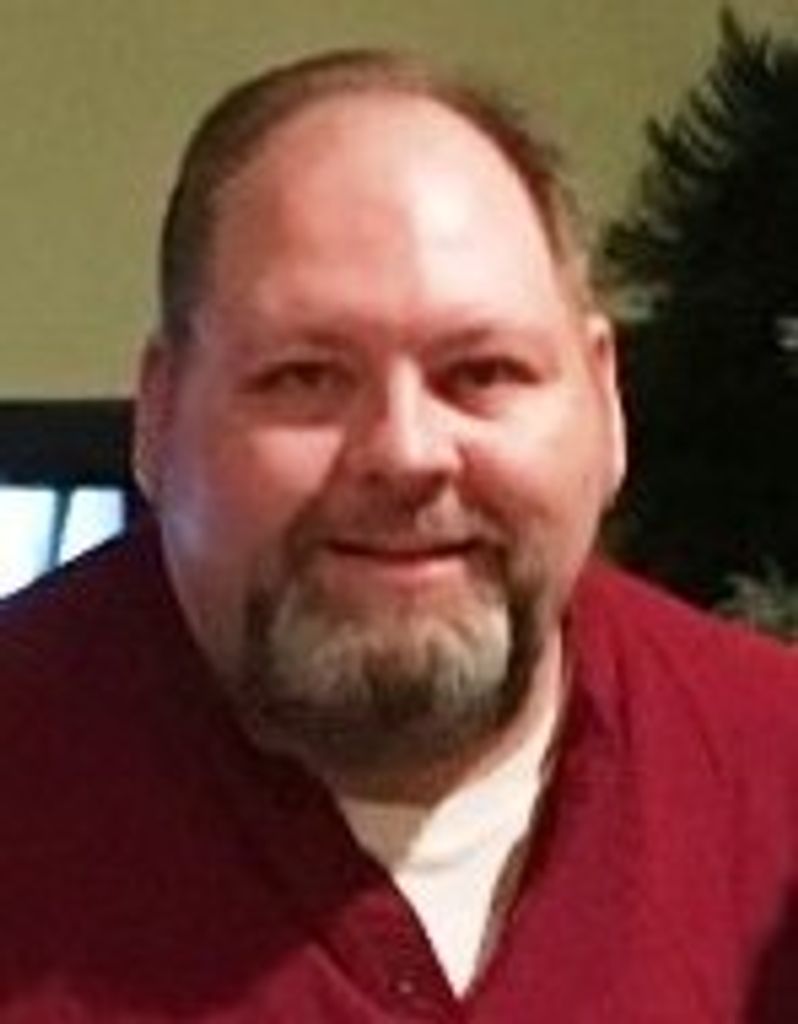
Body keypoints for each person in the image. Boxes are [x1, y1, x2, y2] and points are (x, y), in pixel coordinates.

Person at [1, 48, 797, 1024]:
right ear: (159, 415)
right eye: (305, 376)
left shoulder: (777, 780)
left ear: (604, 399)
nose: (407, 452)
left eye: (483, 372)